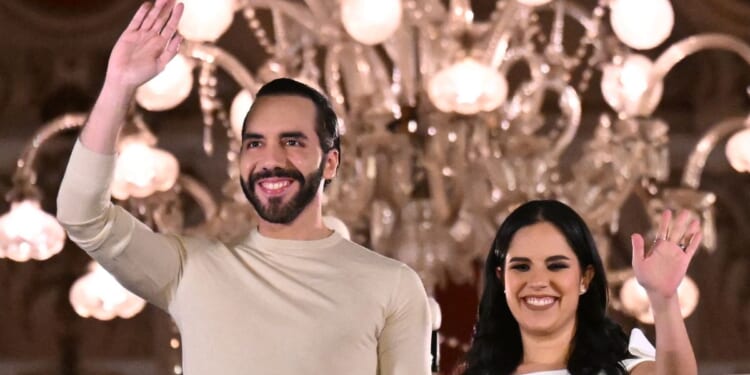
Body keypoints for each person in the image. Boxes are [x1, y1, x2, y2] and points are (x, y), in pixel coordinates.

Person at [55, 0, 431, 374]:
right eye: (255, 143)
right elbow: (82, 216)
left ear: (330, 161)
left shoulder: (392, 287)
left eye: (293, 141)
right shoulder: (192, 271)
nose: (271, 159)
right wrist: (118, 86)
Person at [462, 200, 700, 375]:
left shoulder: (623, 368)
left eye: (556, 266)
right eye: (522, 267)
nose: (537, 281)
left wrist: (663, 299)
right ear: (501, 277)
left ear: (585, 278)